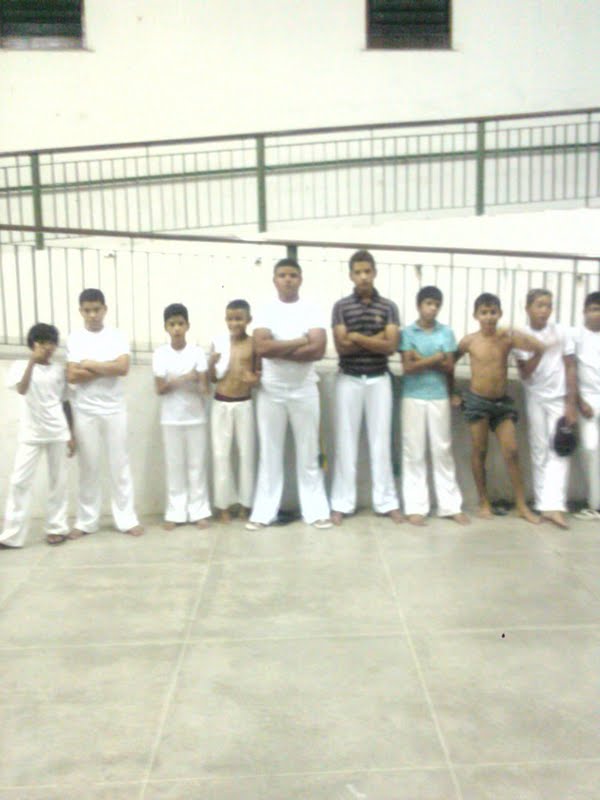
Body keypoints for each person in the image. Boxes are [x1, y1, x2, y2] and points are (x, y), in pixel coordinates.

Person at [246, 258, 331, 530]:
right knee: (269, 454)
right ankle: (263, 513)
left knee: (309, 453)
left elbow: (318, 350)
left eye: (293, 275)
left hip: (305, 390)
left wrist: (279, 348)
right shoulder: (266, 310)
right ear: (274, 280)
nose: (288, 279)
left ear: (300, 279)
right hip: (271, 391)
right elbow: (262, 348)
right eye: (282, 275)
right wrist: (300, 341)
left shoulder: (312, 309)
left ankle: (316, 511)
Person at [330, 250, 403, 525]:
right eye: (358, 272)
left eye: (367, 271)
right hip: (348, 379)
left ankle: (387, 503)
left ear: (374, 273)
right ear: (351, 275)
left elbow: (391, 346)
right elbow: (341, 347)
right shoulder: (340, 307)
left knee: (381, 442)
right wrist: (377, 338)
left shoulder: (388, 307)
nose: (363, 277)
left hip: (379, 380)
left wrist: (357, 336)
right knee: (346, 442)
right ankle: (341, 503)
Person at [456, 292, 544, 523]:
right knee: (480, 451)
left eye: (493, 312)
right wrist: (452, 392)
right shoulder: (469, 341)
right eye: (484, 313)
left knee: (512, 451)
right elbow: (448, 364)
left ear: (500, 314)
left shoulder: (506, 339)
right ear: (476, 315)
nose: (488, 317)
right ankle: (484, 502)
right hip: (477, 402)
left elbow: (537, 347)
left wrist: (513, 330)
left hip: (502, 403)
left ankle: (521, 505)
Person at [66, 288, 143, 538]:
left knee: (120, 464)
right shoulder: (75, 338)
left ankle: (126, 519)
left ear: (105, 309)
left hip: (114, 408)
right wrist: (106, 367)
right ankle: (86, 521)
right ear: (80, 311)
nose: (92, 315)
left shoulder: (117, 336)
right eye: (87, 310)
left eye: (96, 309)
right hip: (85, 410)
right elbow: (72, 375)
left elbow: (123, 368)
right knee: (88, 466)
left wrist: (89, 364)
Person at [1, 323, 75, 548]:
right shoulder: (20, 366)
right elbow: (22, 389)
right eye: (42, 342)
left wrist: (72, 434)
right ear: (32, 344)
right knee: (19, 482)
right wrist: (32, 362)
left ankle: (57, 528)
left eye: (51, 343)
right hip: (30, 433)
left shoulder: (59, 370)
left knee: (58, 482)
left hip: (57, 431)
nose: (48, 347)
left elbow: (66, 403)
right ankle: (12, 535)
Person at [400, 286, 468, 526]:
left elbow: (449, 366)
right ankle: (415, 507)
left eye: (437, 305)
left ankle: (450, 506)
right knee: (414, 451)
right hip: (413, 396)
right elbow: (407, 367)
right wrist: (436, 357)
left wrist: (421, 359)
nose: (433, 308)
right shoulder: (408, 332)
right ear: (419, 305)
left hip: (439, 395)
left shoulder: (446, 333)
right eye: (428, 303)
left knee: (442, 450)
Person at [514, 289, 577, 529]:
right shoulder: (521, 337)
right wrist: (539, 350)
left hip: (559, 398)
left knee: (560, 448)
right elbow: (525, 372)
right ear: (528, 308)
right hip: (535, 396)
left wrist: (571, 404)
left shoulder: (561, 332)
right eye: (539, 305)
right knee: (539, 449)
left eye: (548, 305)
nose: (545, 310)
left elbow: (570, 367)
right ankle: (544, 504)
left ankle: (556, 505)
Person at [153, 303, 211, 529]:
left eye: (180, 324)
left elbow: (204, 388)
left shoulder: (197, 352)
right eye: (172, 324)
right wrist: (188, 377)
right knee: (174, 466)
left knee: (197, 466)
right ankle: (175, 512)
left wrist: (195, 378)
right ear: (166, 327)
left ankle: (199, 511)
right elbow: (160, 389)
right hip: (171, 418)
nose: (176, 329)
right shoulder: (160, 354)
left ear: (187, 326)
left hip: (196, 417)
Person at [208, 299, 259, 523]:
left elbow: (259, 374)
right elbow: (212, 378)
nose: (234, 323)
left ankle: (246, 504)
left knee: (247, 454)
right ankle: (224, 505)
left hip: (244, 403)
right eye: (230, 319)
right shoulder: (219, 343)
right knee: (221, 455)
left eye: (239, 319)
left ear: (248, 320)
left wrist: (254, 379)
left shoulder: (253, 344)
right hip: (221, 403)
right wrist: (211, 363)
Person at [572, 291, 600, 518]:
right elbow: (570, 370)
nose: (597, 314)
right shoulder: (576, 336)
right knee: (590, 449)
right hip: (587, 402)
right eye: (593, 309)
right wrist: (579, 401)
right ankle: (595, 504)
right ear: (585, 312)